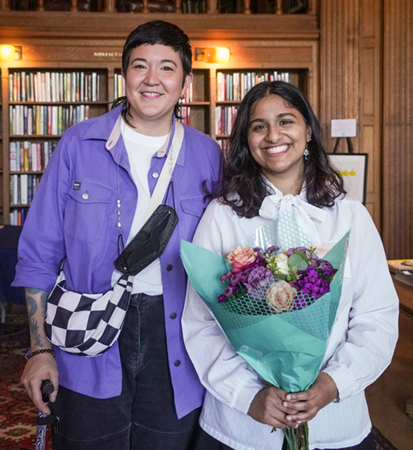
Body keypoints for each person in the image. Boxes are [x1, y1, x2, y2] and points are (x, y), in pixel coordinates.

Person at [14, 20, 225, 450]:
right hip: (85, 338)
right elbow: (38, 252)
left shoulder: (207, 154)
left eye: (167, 68)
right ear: (124, 75)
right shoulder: (78, 144)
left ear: (185, 81)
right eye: (140, 66)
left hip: (178, 341)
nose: (152, 79)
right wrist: (39, 351)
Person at [182, 80, 399, 450]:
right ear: (246, 141)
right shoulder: (222, 215)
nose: (273, 136)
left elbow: (376, 316)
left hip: (336, 424)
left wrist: (333, 384)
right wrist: (247, 395)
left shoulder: (350, 216)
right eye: (258, 126)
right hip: (239, 426)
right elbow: (201, 323)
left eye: (286, 121)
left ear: (308, 131)